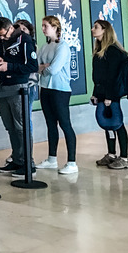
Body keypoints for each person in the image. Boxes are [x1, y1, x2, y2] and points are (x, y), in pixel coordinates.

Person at [0, 17, 38, 178]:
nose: (3, 38)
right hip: (3, 85)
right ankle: (17, 159)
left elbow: (32, 66)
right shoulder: (2, 40)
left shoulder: (24, 40)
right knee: (10, 126)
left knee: (21, 126)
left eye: (4, 35)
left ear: (11, 28)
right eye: (0, 36)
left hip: (19, 86)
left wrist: (9, 66)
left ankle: (28, 162)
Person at [35, 16, 77, 174]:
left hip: (60, 89)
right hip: (45, 88)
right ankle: (51, 158)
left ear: (55, 27)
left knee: (65, 124)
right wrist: (44, 66)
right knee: (50, 124)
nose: (43, 29)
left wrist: (43, 67)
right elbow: (36, 66)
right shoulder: (45, 46)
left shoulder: (63, 46)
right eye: (43, 26)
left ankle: (72, 162)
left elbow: (54, 69)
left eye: (46, 26)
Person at [91, 20, 128, 170]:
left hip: (111, 94)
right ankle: (111, 154)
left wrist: (110, 96)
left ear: (105, 30)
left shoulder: (113, 51)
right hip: (102, 93)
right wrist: (95, 93)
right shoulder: (99, 50)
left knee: (117, 123)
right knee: (107, 124)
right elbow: (98, 76)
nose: (92, 29)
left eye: (96, 27)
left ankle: (125, 157)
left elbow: (114, 76)